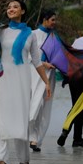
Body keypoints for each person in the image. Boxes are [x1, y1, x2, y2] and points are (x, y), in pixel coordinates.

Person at [0, 0, 51, 164]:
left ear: (23, 11)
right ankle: (0, 159)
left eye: (15, 7)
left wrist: (46, 82)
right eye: (9, 7)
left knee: (20, 118)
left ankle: (24, 158)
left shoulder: (30, 34)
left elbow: (36, 61)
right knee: (1, 119)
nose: (11, 9)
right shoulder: (1, 31)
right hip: (2, 78)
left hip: (22, 81)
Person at [28, 8, 58, 152]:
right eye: (52, 20)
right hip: (35, 74)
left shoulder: (54, 37)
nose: (54, 22)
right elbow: (28, 55)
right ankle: (31, 135)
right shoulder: (33, 34)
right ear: (45, 20)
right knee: (35, 104)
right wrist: (43, 63)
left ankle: (37, 140)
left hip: (50, 75)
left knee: (45, 107)